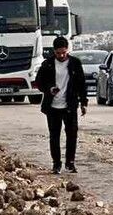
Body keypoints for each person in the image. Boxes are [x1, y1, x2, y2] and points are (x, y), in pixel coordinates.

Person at [34, 36, 87, 174]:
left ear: (67, 50)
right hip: (52, 107)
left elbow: (81, 84)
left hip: (70, 105)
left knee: (72, 135)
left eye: (64, 52)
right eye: (58, 53)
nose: (61, 56)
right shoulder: (47, 64)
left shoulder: (75, 63)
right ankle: (56, 163)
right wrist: (49, 89)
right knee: (54, 136)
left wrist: (84, 102)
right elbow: (39, 82)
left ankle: (70, 162)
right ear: (54, 51)